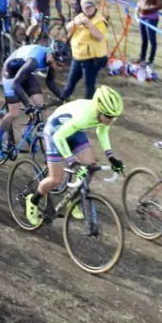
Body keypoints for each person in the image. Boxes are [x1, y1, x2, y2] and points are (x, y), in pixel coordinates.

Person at [23, 86, 125, 225]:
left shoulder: (103, 114)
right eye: (108, 116)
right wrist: (72, 162)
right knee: (55, 179)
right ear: (99, 109)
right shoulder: (85, 115)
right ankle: (33, 199)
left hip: (74, 129)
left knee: (90, 167)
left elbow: (102, 131)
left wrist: (111, 157)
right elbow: (59, 137)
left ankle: (74, 199)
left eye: (114, 117)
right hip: (55, 131)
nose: (111, 120)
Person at [0, 41, 71, 159]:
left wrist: (64, 97)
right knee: (14, 112)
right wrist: (28, 105)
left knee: (41, 108)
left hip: (23, 70)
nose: (59, 68)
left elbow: (50, 82)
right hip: (10, 73)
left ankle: (27, 134)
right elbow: (15, 84)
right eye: (58, 64)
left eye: (62, 66)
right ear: (50, 56)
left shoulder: (51, 58)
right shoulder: (34, 61)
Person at [59, 0, 109, 101]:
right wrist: (74, 23)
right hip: (78, 56)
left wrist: (89, 25)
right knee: (70, 81)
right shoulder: (80, 17)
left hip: (91, 58)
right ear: (82, 8)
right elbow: (68, 28)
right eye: (86, 7)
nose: (88, 9)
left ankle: (89, 104)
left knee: (89, 84)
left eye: (90, 7)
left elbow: (99, 37)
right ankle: (62, 99)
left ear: (95, 7)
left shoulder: (100, 21)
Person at [136, 0, 162, 70]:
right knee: (144, 39)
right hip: (142, 17)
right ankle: (142, 58)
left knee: (152, 39)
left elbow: (160, 5)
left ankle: (150, 61)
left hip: (151, 18)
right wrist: (138, 7)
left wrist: (146, 9)